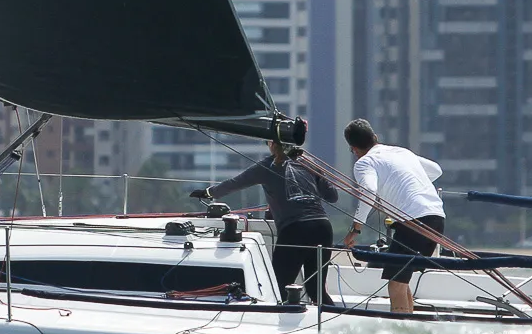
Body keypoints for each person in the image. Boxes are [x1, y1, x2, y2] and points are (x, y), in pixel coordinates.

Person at [191, 140, 339, 305]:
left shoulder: (267, 166)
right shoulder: (308, 162)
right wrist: (316, 176)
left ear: (272, 144)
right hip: (323, 228)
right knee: (317, 291)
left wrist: (208, 192)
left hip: (295, 231)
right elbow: (333, 196)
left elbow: (235, 183)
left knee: (277, 289)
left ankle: (284, 327)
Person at [339, 119, 446, 315]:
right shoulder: (402, 152)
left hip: (414, 221)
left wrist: (355, 229)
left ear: (354, 149)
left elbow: (369, 192)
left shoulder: (365, 162)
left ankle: (400, 331)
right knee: (401, 281)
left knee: (395, 285)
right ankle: (409, 323)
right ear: (375, 137)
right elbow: (436, 170)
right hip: (437, 217)